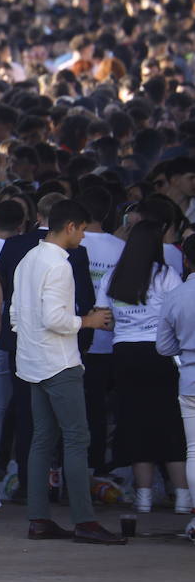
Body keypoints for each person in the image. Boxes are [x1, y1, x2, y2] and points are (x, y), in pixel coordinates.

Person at [11, 199, 124, 544]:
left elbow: (15, 315)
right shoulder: (59, 266)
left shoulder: (29, 258)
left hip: (32, 362)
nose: (84, 236)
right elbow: (55, 319)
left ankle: (39, 519)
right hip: (59, 362)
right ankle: (85, 522)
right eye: (83, 229)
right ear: (71, 227)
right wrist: (88, 321)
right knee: (76, 439)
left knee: (42, 441)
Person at [98, 219, 188, 514]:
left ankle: (144, 498)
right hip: (160, 355)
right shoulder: (166, 275)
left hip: (124, 354)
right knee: (171, 425)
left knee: (136, 425)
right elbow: (176, 314)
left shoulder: (113, 276)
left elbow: (104, 318)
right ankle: (184, 499)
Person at [157, 235, 195, 553]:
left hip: (190, 382)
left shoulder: (176, 295)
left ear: (186, 261)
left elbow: (164, 347)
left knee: (194, 452)